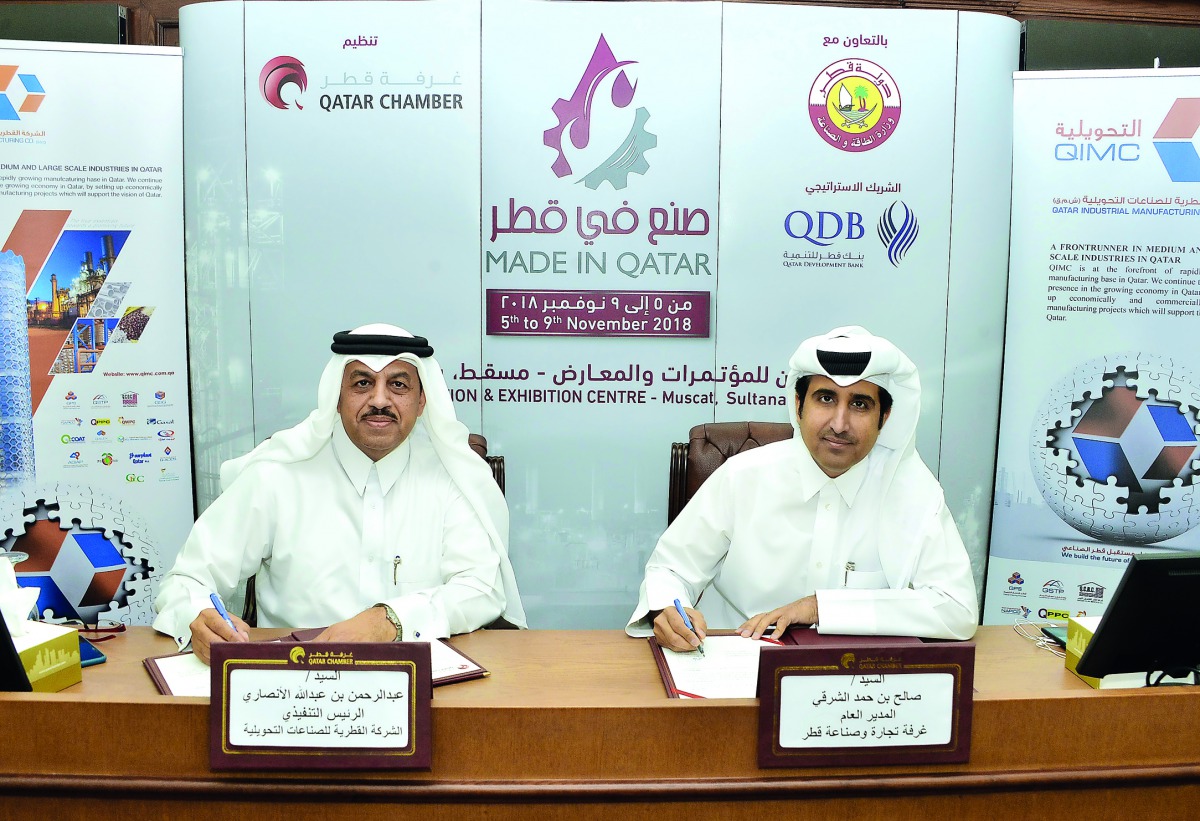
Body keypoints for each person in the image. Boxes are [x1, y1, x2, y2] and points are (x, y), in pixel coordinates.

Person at [154, 323, 526, 663]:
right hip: (291, 684)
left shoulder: (451, 478)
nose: (380, 400)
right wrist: (196, 616)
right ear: (337, 395)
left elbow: (481, 588)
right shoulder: (277, 477)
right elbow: (187, 579)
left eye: (398, 385)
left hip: (423, 685)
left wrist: (391, 621)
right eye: (362, 383)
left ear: (422, 401)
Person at [627, 325, 978, 650]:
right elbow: (670, 570)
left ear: (884, 418)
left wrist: (819, 608)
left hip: (855, 688)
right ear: (798, 406)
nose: (839, 424)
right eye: (825, 398)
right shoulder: (744, 476)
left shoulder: (913, 493)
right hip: (735, 672)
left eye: (859, 404)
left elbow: (957, 610)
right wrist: (666, 610)